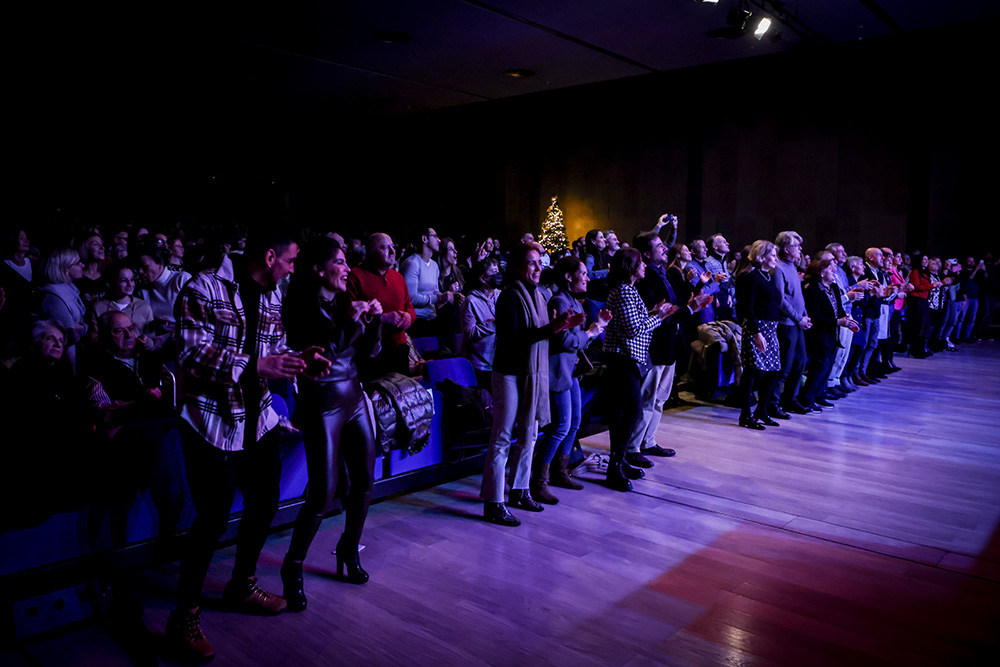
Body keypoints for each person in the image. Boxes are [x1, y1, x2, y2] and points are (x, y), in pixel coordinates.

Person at [165, 231, 330, 663]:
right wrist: (257, 365)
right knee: (213, 519)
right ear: (271, 256)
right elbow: (190, 357)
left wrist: (297, 360)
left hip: (257, 421)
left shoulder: (272, 295)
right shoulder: (202, 289)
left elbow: (272, 351)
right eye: (292, 260)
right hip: (210, 423)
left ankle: (242, 585)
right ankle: (183, 617)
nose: (295, 269)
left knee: (264, 504)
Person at [281, 236, 381, 611]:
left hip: (353, 395)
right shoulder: (301, 308)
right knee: (324, 491)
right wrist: (353, 321)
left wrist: (370, 321)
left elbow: (369, 351)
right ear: (318, 269)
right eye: (339, 262)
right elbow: (328, 350)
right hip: (320, 401)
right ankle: (293, 566)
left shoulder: (343, 302)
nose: (347, 268)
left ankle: (348, 548)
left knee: (365, 482)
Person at [481, 243, 583, 526]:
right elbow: (514, 340)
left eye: (540, 263)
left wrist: (562, 327)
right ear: (516, 266)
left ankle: (520, 490)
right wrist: (552, 328)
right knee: (502, 437)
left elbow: (542, 337)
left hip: (532, 374)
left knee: (530, 434)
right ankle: (494, 502)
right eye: (531, 263)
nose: (538, 268)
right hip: (509, 374)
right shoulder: (509, 297)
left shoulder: (540, 295)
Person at [531, 256, 610, 504]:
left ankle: (560, 471)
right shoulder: (558, 300)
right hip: (558, 373)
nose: (587, 278)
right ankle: (539, 480)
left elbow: (577, 341)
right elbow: (563, 341)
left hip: (570, 371)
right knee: (561, 427)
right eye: (583, 273)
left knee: (574, 423)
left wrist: (596, 328)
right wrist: (591, 331)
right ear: (568, 276)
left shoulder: (572, 300)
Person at [629, 232, 712, 467]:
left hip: (669, 344)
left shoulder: (662, 273)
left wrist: (692, 297)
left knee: (660, 398)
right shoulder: (646, 279)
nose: (665, 249)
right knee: (647, 398)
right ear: (646, 254)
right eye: (659, 246)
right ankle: (633, 447)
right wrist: (690, 309)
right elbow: (659, 316)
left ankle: (648, 441)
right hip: (654, 346)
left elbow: (676, 304)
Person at [602, 248, 674, 489]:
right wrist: (660, 316)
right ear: (630, 267)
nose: (644, 266)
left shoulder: (629, 290)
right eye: (641, 262)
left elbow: (636, 321)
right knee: (632, 412)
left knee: (624, 413)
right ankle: (614, 468)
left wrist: (654, 312)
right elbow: (633, 329)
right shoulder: (623, 292)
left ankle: (619, 463)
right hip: (621, 359)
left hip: (628, 359)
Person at [346, 233, 416, 379]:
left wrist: (409, 316)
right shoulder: (355, 276)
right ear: (370, 251)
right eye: (384, 248)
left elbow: (409, 307)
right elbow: (349, 314)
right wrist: (382, 319)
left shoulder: (398, 277)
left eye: (392, 247)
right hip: (372, 352)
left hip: (399, 349)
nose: (392, 251)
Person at [734, 241, 783, 430]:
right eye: (773, 255)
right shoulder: (752, 277)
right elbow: (747, 307)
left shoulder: (768, 277)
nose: (776, 258)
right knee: (752, 371)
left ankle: (761, 410)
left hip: (770, 328)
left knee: (774, 370)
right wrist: (756, 332)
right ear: (762, 257)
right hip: (757, 328)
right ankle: (745, 415)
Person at [799, 260, 859, 410]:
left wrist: (848, 320)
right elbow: (815, 316)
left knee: (828, 365)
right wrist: (838, 322)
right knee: (820, 366)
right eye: (831, 271)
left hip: (833, 332)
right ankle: (807, 398)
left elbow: (839, 309)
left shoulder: (834, 288)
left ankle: (819, 394)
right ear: (821, 273)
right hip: (819, 333)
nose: (834, 273)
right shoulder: (813, 290)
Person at [771, 231, 812, 417]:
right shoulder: (778, 268)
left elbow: (797, 295)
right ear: (786, 249)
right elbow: (780, 299)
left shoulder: (792, 266)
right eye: (797, 246)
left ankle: (790, 400)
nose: (800, 249)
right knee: (784, 366)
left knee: (800, 362)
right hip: (786, 323)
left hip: (797, 322)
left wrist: (804, 316)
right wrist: (798, 318)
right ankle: (773, 403)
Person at [38, 247, 89, 371]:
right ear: (66, 269)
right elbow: (69, 334)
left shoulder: (71, 288)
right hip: (63, 360)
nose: (82, 265)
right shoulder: (55, 297)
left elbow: (77, 326)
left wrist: (82, 327)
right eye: (77, 263)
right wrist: (82, 327)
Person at [400, 227, 454, 338]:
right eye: (435, 236)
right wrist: (438, 298)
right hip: (416, 323)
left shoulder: (434, 265)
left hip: (432, 320)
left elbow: (434, 293)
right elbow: (411, 298)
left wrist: (449, 296)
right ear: (424, 239)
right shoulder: (413, 263)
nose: (439, 240)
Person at [460, 258, 501, 390]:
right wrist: (493, 325)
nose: (498, 275)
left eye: (498, 271)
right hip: (480, 364)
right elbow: (468, 333)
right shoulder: (471, 301)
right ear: (483, 278)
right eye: (494, 273)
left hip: (498, 362)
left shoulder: (500, 295)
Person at [90, 261, 155, 340]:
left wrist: (145, 342)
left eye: (132, 280)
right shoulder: (99, 307)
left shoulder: (143, 306)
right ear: (110, 284)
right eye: (124, 280)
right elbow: (94, 337)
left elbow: (151, 338)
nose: (130, 284)